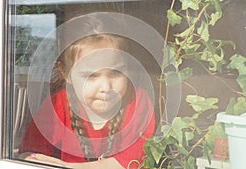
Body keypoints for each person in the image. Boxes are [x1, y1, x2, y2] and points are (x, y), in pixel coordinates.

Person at [19, 17, 155, 169]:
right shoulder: (58, 104)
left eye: (115, 73)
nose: (105, 86)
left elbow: (132, 162)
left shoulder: (137, 102)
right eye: (91, 76)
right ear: (66, 73)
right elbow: (29, 156)